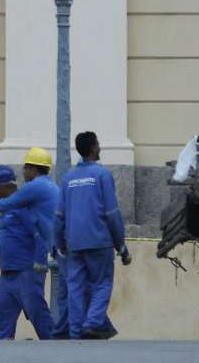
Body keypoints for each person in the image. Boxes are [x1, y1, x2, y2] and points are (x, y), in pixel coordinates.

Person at [0, 147, 66, 338]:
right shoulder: (12, 206)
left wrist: (39, 261)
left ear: (6, 186)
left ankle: (57, 352)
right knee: (2, 317)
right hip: (7, 276)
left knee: (41, 319)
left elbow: (39, 233)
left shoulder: (23, 206)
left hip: (27, 272)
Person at [54, 132, 131, 340]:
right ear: (93, 148)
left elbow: (59, 215)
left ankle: (76, 330)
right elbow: (112, 214)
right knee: (102, 283)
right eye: (98, 144)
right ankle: (93, 323)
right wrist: (121, 246)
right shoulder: (102, 175)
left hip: (74, 244)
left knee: (76, 287)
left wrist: (59, 243)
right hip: (100, 241)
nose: (100, 147)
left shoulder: (68, 178)